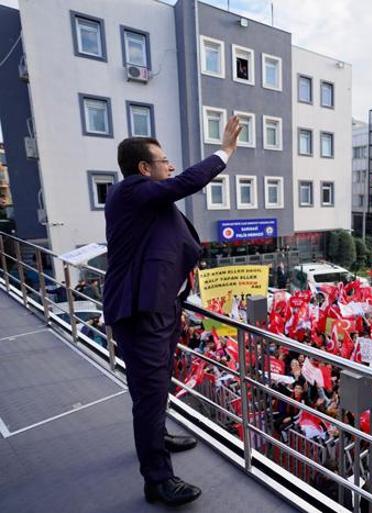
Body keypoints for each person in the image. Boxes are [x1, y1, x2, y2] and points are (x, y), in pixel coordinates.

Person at [102, 116, 242, 506]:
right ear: (144, 169)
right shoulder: (132, 192)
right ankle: (158, 480)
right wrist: (225, 150)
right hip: (141, 312)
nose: (171, 166)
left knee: (155, 386)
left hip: (159, 308)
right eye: (164, 160)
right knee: (149, 394)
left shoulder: (145, 197)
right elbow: (188, 182)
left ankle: (156, 437)